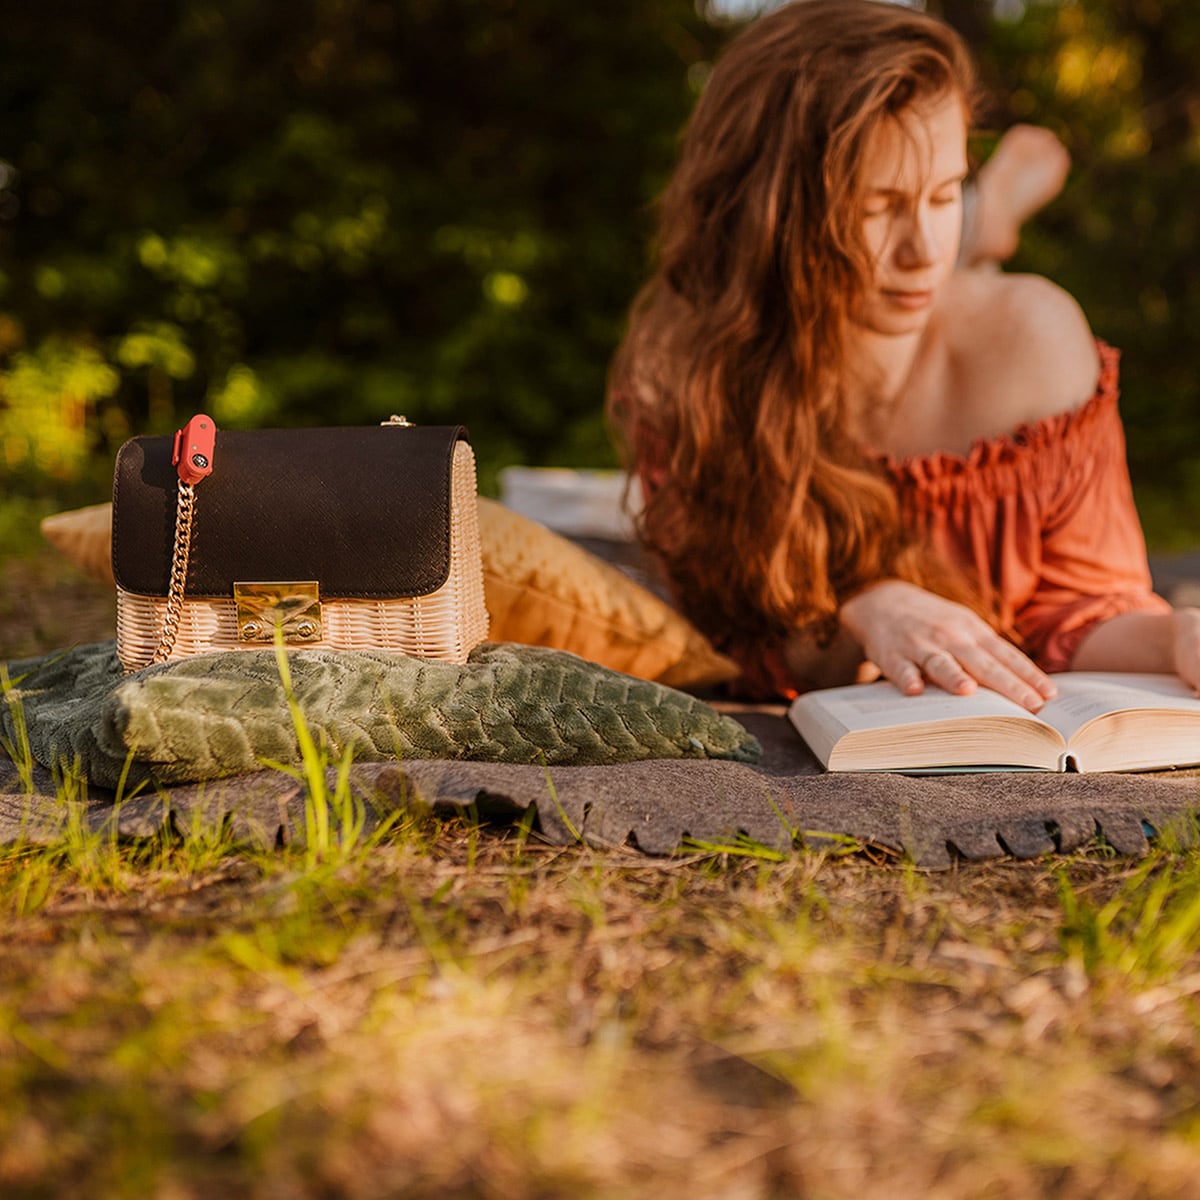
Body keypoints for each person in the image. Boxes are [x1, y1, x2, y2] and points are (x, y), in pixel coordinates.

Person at [607, 0, 1198, 710]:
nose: (923, 253)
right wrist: (865, 609)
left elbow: (1074, 613)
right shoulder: (691, 377)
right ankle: (990, 211)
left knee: (962, 269)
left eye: (945, 194)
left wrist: (1174, 638)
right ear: (771, 213)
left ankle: (991, 208)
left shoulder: (1035, 337)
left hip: (977, 326)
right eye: (875, 207)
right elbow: (721, 648)